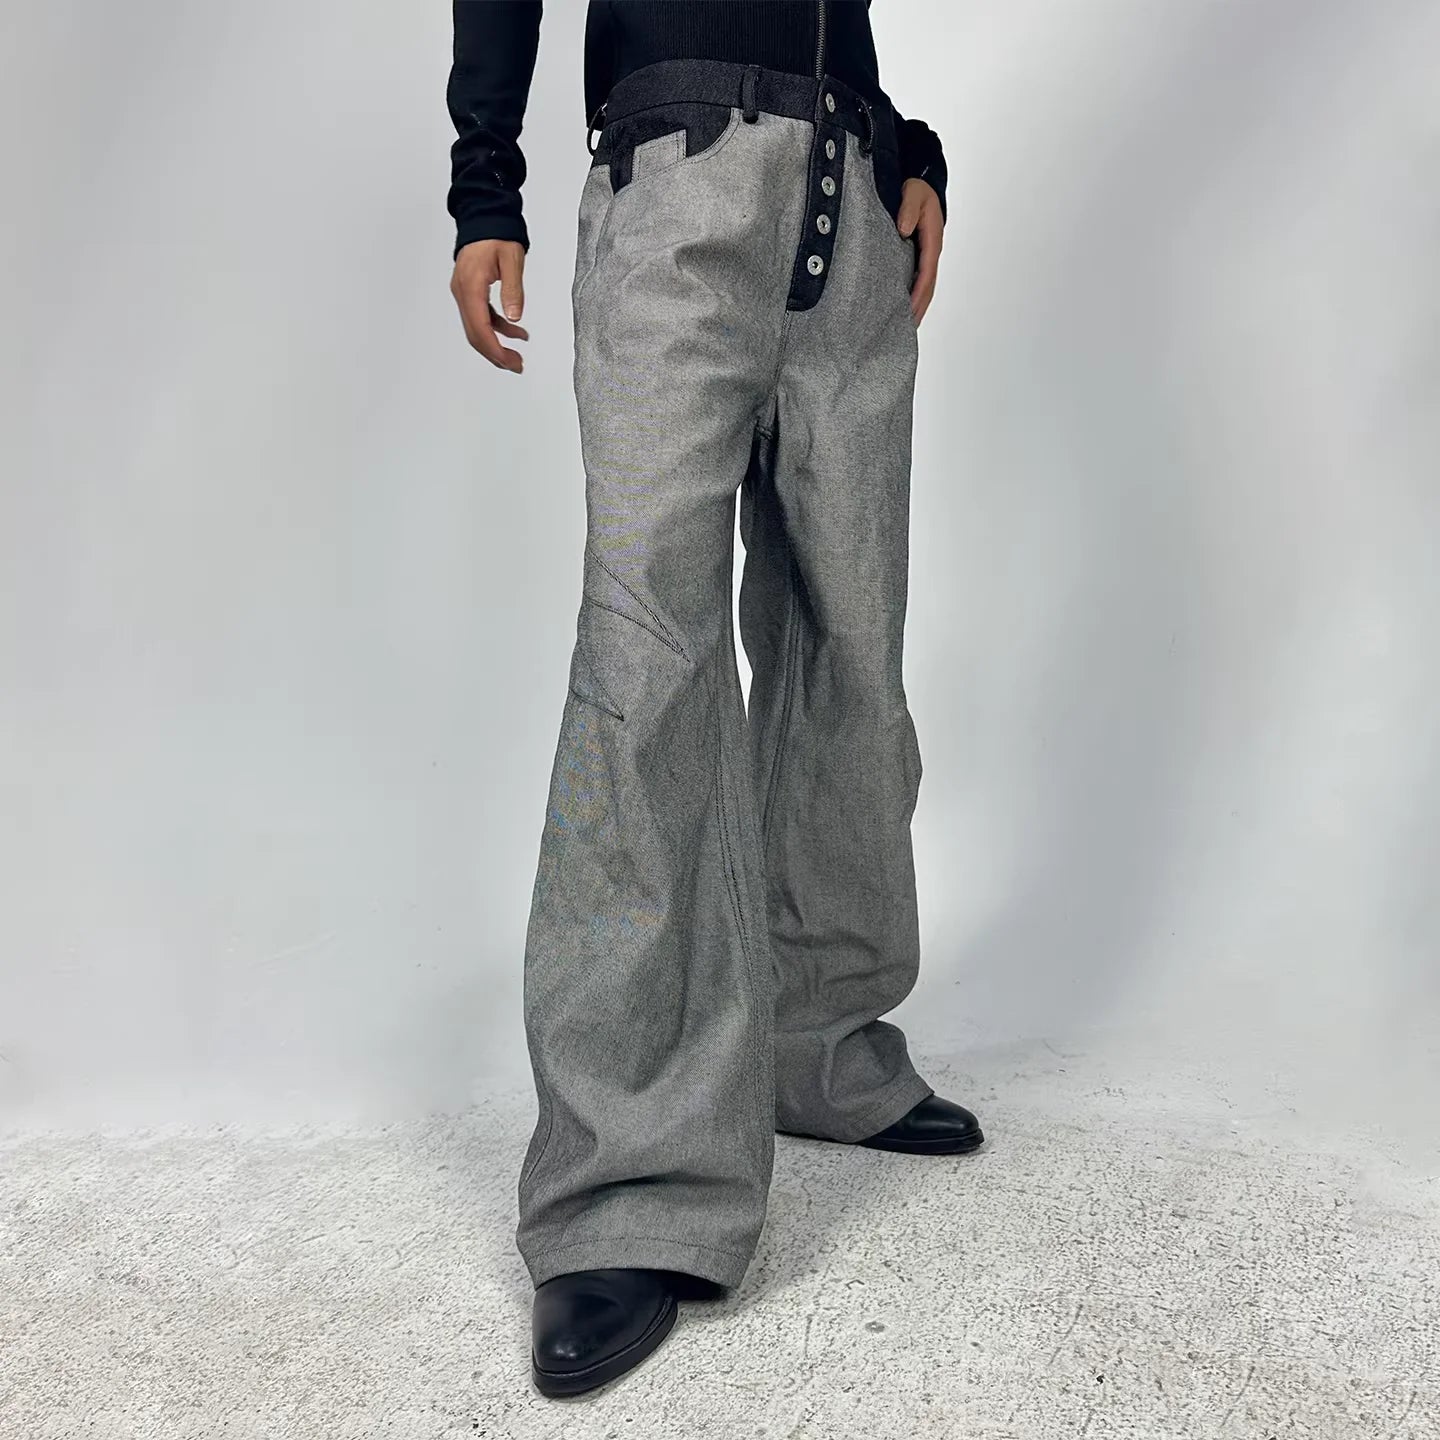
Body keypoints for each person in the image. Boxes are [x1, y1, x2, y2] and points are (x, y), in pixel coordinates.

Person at [447, 1, 986, 1398]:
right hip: (678, 178)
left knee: (848, 656)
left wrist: (906, 147)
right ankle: (627, 1183)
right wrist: (484, 181)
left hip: (850, 206)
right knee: (647, 669)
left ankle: (817, 1042)